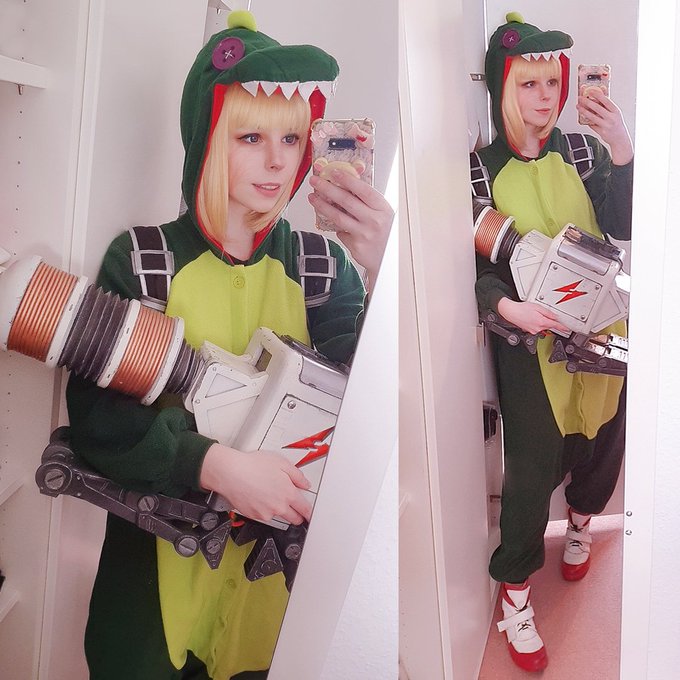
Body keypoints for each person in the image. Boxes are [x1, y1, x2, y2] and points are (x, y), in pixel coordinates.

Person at [66, 11, 393, 680]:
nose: (277, 161)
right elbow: (100, 419)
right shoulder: (144, 262)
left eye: (291, 137)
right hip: (152, 598)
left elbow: (370, 409)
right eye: (250, 137)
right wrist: (214, 466)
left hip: (267, 608)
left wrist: (388, 273)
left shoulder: (323, 269)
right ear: (208, 137)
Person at [471, 12, 633, 672]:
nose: (545, 97)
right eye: (528, 83)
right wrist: (506, 306)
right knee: (532, 469)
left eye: (552, 82)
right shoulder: (479, 172)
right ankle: (514, 594)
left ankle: (583, 525)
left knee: (605, 435)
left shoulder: (582, 152)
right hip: (529, 342)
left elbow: (622, 222)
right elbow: (474, 268)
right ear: (501, 87)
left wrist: (621, 147)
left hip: (602, 326)